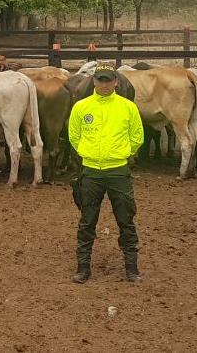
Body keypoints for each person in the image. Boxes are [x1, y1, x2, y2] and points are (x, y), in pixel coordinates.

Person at [67, 64, 144, 284]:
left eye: (108, 80)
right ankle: (83, 268)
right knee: (87, 221)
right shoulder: (81, 107)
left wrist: (123, 153)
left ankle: (132, 268)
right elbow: (74, 135)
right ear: (93, 81)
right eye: (100, 80)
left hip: (118, 170)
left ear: (116, 82)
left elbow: (137, 136)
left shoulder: (127, 107)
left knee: (126, 219)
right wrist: (87, 153)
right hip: (91, 171)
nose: (104, 84)